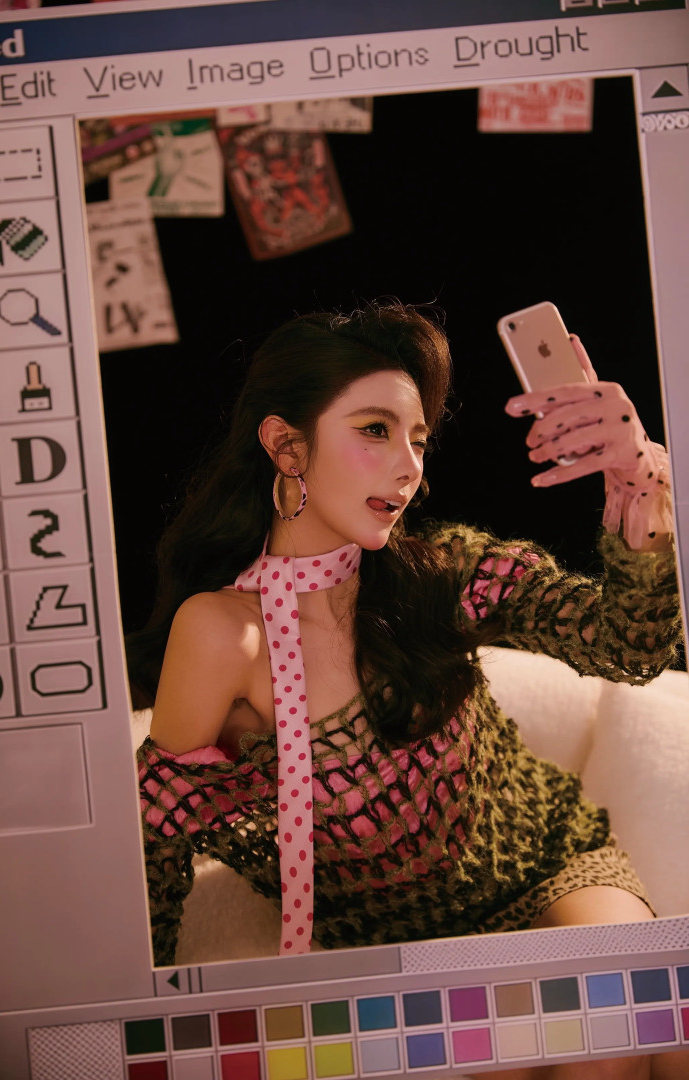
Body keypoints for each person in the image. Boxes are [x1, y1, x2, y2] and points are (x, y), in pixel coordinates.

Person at [133, 301, 682, 1078]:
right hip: (403, 955)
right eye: (375, 430)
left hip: (551, 870)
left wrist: (643, 485)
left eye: (418, 439)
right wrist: (132, 1029)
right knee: (590, 1053)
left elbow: (630, 648)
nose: (408, 466)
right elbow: (158, 837)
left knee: (641, 1020)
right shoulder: (224, 633)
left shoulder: (439, 574)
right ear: (286, 445)